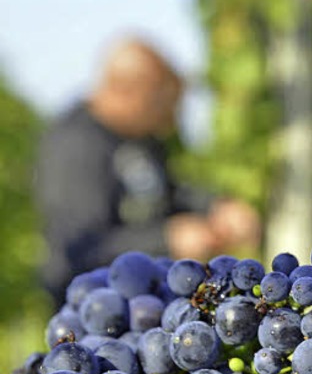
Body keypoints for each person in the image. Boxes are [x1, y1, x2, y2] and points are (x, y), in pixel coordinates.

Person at [35, 35, 261, 305]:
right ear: (129, 91)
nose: (170, 120)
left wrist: (215, 206)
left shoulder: (140, 136)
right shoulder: (75, 146)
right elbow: (80, 249)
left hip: (149, 306)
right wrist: (165, 240)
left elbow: (166, 191)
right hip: (97, 316)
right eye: (162, 104)